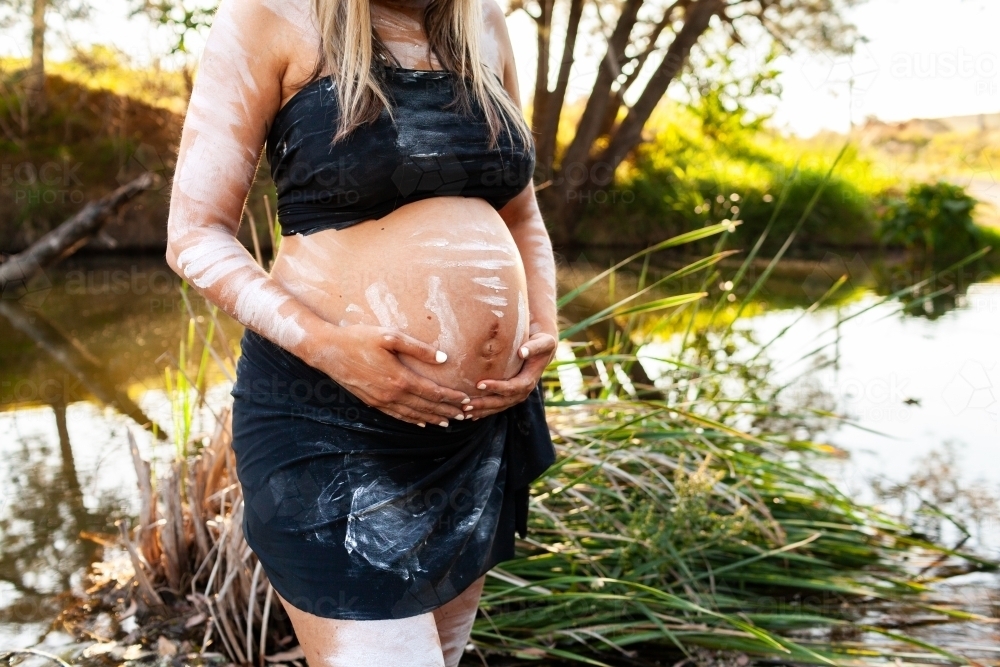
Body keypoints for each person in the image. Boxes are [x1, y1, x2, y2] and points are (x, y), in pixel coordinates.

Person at [164, 0, 558, 663]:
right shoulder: (272, 16)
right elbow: (193, 235)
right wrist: (331, 349)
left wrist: (540, 326)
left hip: (472, 434)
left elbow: (522, 211)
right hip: (326, 422)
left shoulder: (485, 23)